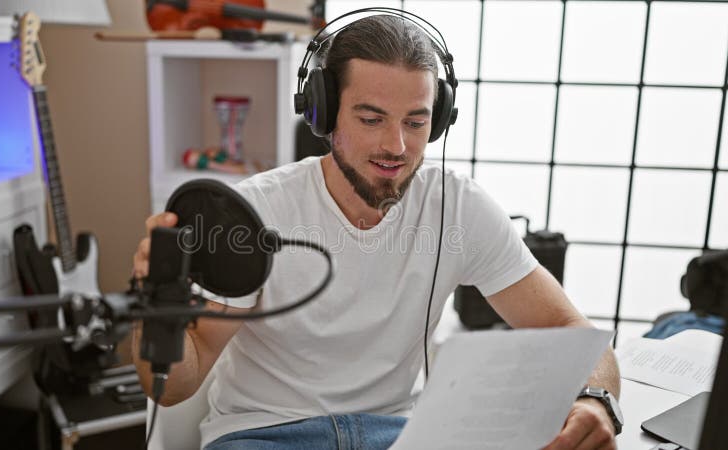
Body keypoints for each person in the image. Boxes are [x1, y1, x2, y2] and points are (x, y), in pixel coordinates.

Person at [132, 14, 620, 450]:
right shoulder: (258, 212)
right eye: (371, 119)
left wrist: (597, 401)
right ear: (324, 115)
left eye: (416, 121)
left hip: (400, 435)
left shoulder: (459, 207)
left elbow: (573, 333)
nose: (397, 146)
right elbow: (174, 387)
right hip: (265, 435)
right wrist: (155, 304)